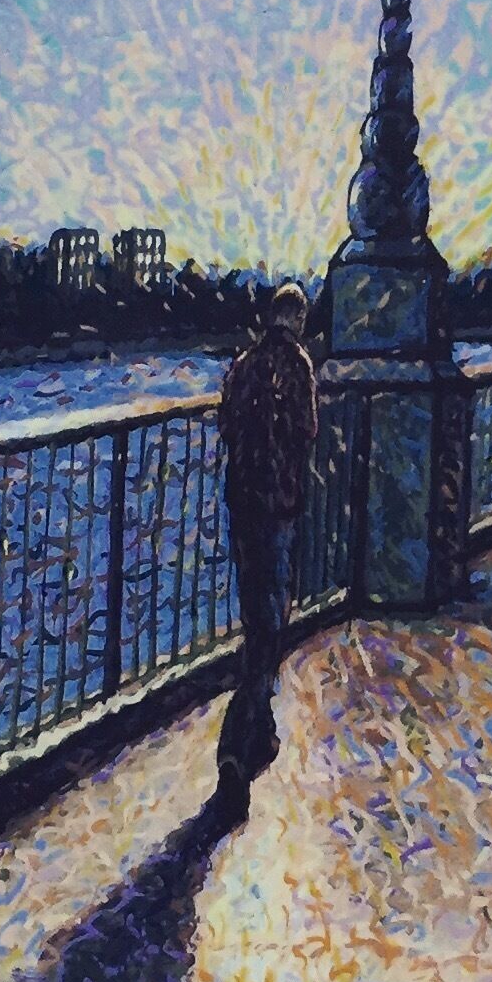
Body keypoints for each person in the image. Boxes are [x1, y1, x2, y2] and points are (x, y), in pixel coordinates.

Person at [215, 281, 317, 793]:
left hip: (243, 502)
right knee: (271, 621)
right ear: (297, 319)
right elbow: (307, 430)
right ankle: (235, 741)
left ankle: (260, 731)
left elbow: (227, 425)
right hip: (279, 504)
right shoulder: (298, 365)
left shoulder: (244, 365)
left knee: (256, 611)